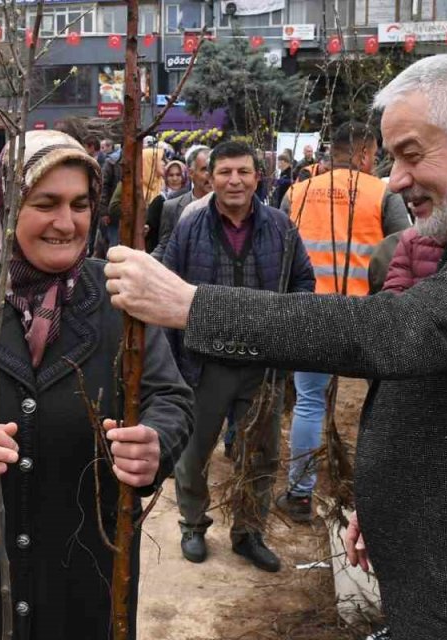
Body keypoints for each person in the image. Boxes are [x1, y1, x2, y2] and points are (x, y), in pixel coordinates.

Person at [105, 54, 447, 639]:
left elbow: (388, 331)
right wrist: (396, 500)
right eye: (391, 158)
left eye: (411, 154)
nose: (393, 179)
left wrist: (191, 305)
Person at [0, 129, 192, 638]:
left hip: (86, 569)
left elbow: (169, 398)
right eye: (46, 203)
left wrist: (158, 442)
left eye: (80, 204)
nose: (66, 223)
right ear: (4, 204)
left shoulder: (120, 301)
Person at [159, 140, 314, 573]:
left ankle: (249, 532)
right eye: (225, 172)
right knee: (195, 451)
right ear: (210, 177)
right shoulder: (190, 228)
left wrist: (282, 329)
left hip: (261, 365)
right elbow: (169, 284)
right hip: (205, 362)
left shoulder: (281, 227)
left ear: (256, 176)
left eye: (243, 172)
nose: (234, 180)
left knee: (260, 454)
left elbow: (304, 281)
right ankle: (193, 524)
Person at [278, 121, 412, 523]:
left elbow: (284, 254)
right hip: (368, 315)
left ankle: (299, 494)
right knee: (385, 403)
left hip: (312, 313)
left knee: (308, 402)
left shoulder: (296, 193)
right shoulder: (383, 192)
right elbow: (402, 250)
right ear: (366, 154)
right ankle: (384, 493)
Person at [153, 145, 212, 259]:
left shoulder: (231, 205)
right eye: (204, 169)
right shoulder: (172, 207)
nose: (210, 175)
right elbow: (165, 247)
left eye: (213, 169)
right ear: (191, 173)